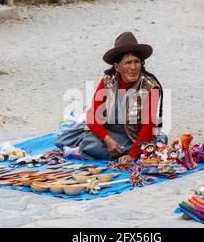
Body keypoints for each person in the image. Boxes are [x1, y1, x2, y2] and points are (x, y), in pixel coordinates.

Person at [55, 32, 166, 163]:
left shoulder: (150, 87)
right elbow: (94, 115)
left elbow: (148, 127)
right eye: (128, 63)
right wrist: (107, 139)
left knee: (91, 145)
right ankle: (101, 147)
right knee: (63, 140)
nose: (133, 67)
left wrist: (132, 155)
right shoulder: (108, 81)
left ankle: (124, 150)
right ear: (117, 67)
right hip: (110, 130)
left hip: (134, 136)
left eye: (137, 62)